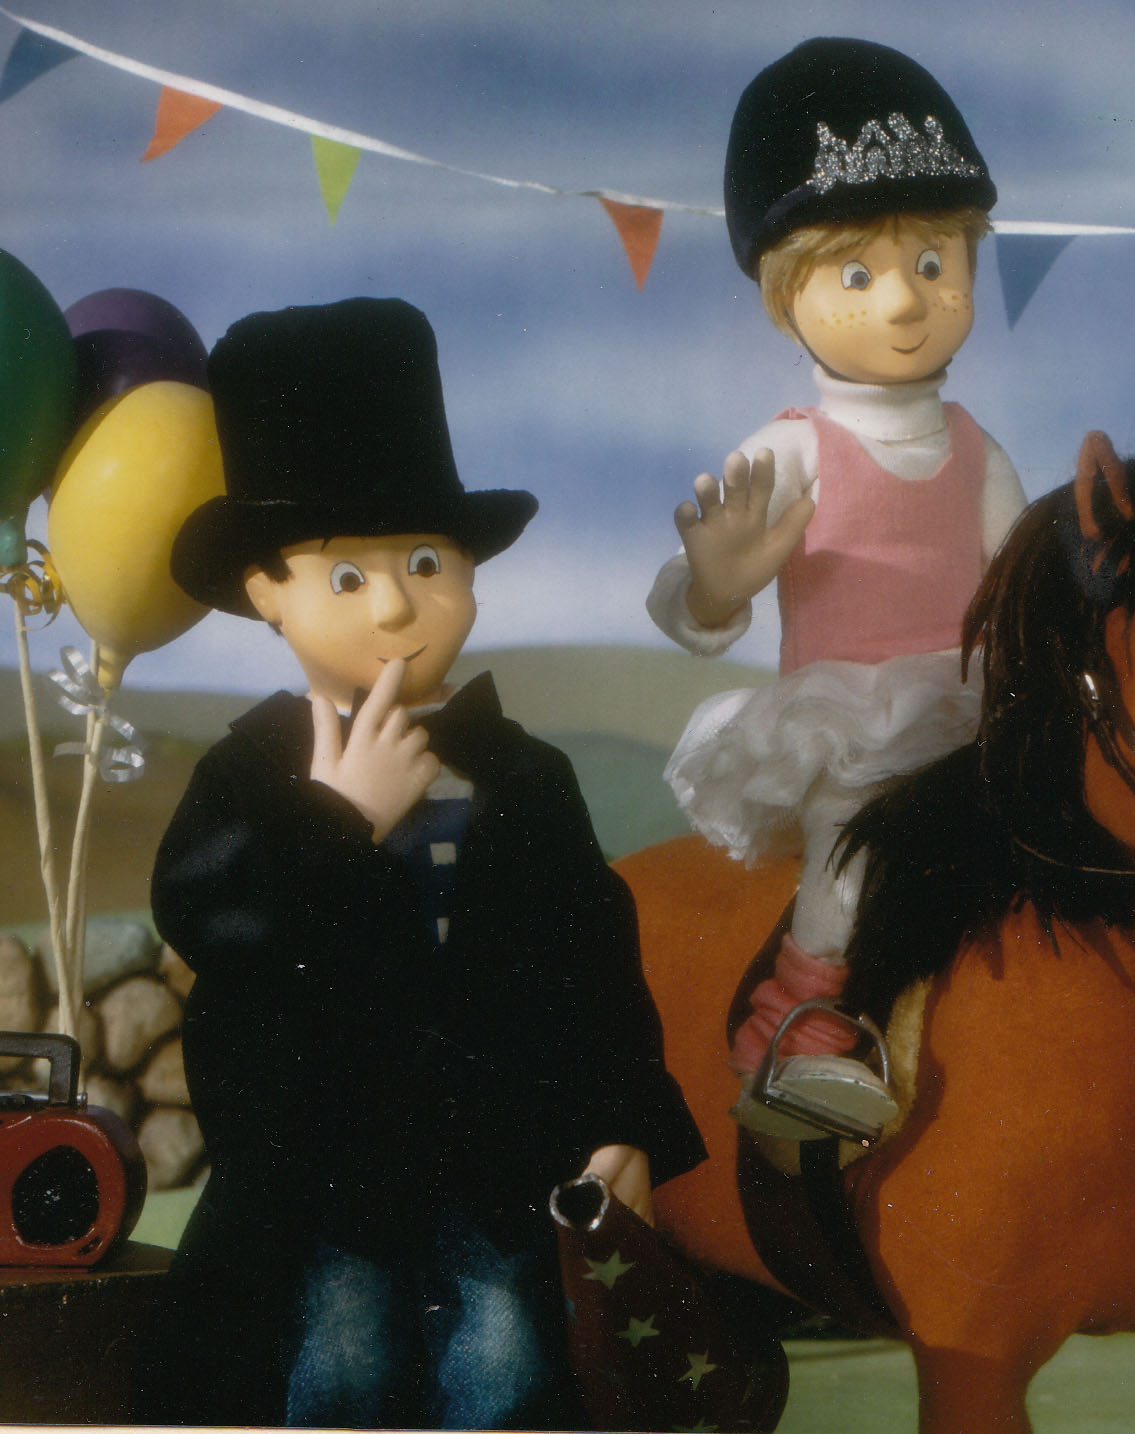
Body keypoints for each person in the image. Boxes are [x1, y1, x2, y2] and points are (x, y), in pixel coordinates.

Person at [141, 297, 705, 1428]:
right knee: (338, 1368)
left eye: (425, 560)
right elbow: (210, 920)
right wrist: (334, 821)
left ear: (472, 572)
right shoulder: (248, 774)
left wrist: (621, 1119)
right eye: (346, 578)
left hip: (500, 1164)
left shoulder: (524, 774)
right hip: (326, 1171)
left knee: (506, 1370)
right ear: (265, 591)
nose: (399, 604)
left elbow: (593, 960)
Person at [646, 38, 1026, 1138]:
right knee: (855, 849)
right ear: (786, 296)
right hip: (852, 716)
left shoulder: (977, 449)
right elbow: (686, 599)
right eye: (856, 275)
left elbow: (1016, 577)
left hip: (975, 706)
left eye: (935, 261)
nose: (905, 302)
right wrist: (715, 586)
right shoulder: (796, 449)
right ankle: (796, 1026)